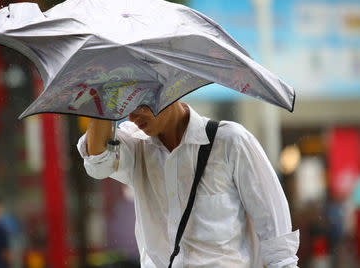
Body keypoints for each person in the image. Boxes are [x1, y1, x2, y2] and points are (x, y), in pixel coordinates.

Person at [77, 101, 300, 267]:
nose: (133, 116)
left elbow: (278, 242)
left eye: (141, 104)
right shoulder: (136, 146)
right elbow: (98, 162)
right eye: (128, 104)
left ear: (171, 88)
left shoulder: (231, 141)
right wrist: (104, 96)